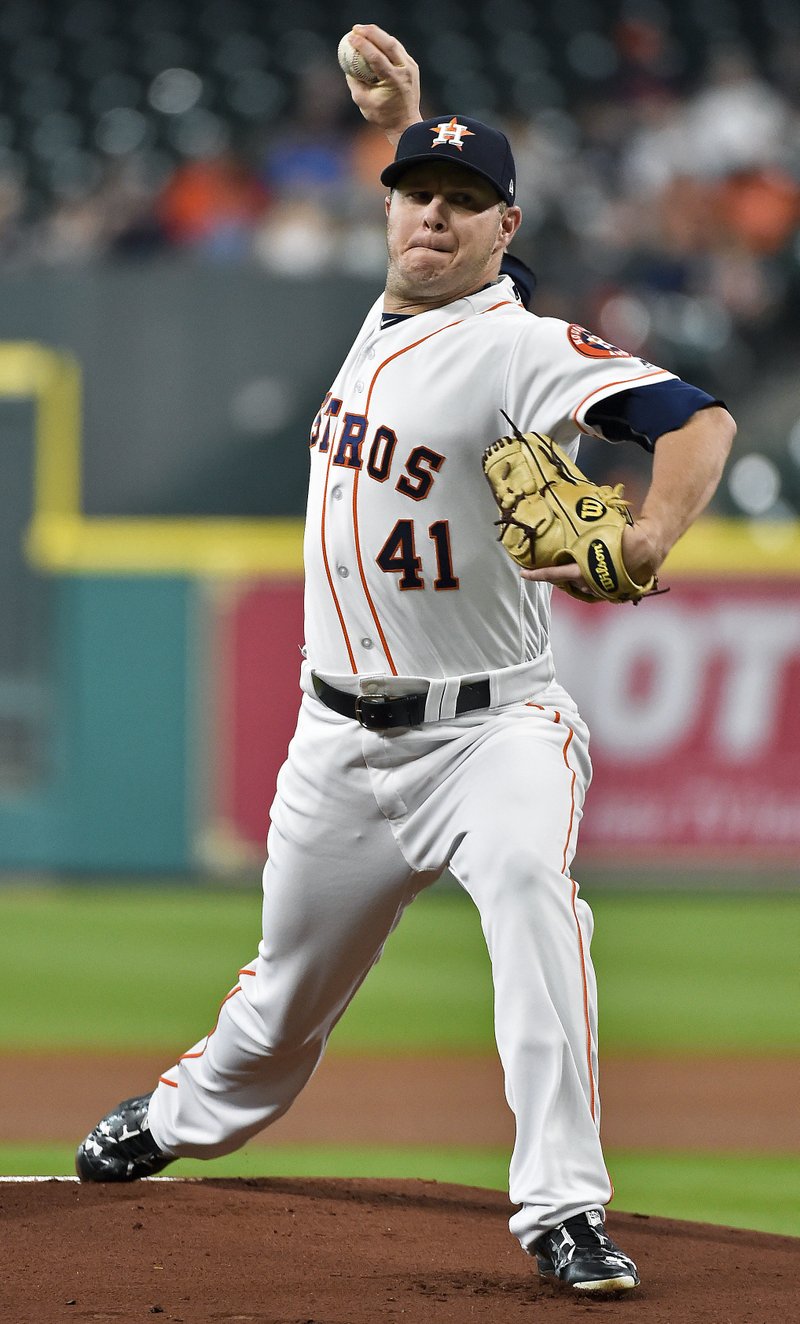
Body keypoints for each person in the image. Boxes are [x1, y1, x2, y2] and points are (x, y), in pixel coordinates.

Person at [76, 24, 735, 1296]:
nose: (432, 219)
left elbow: (695, 417)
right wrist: (415, 118)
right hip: (337, 744)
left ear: (507, 227)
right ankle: (172, 1120)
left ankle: (560, 1209)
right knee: (274, 1015)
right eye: (415, 198)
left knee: (537, 905)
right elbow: (427, 208)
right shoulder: (388, 310)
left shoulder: (521, 347)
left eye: (463, 205)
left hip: (492, 733)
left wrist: (648, 530)